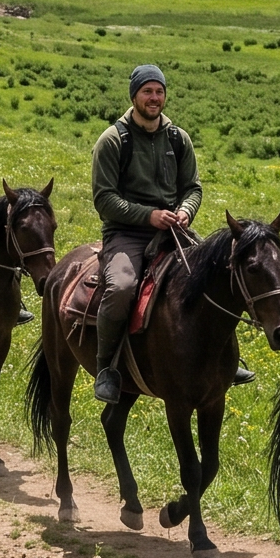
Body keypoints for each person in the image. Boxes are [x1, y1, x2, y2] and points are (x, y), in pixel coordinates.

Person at [89, 63, 205, 406]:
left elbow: (193, 188)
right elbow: (104, 199)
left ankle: (226, 359)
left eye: (159, 91)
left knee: (216, 274)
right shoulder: (113, 140)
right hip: (127, 233)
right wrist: (148, 215)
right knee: (122, 287)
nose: (154, 98)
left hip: (173, 228)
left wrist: (185, 211)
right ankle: (106, 368)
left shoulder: (178, 138)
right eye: (147, 91)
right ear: (134, 96)